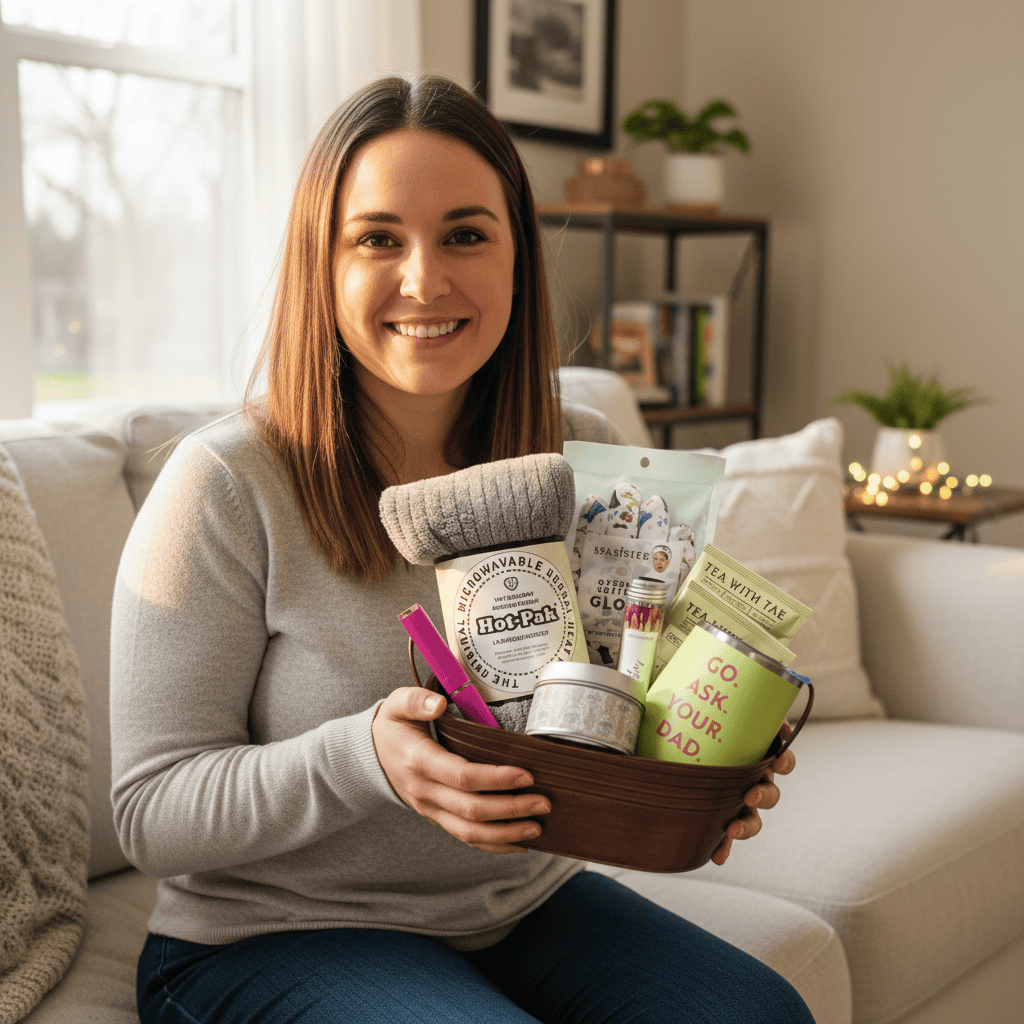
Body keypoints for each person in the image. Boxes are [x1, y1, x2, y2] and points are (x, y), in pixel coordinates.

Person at [110, 73, 814, 1024]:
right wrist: (366, 758)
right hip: (270, 933)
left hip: (519, 905)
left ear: (518, 254)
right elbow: (150, 811)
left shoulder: (572, 456)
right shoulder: (225, 483)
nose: (424, 279)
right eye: (377, 239)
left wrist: (699, 759)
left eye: (466, 234)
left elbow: (607, 694)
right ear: (322, 264)